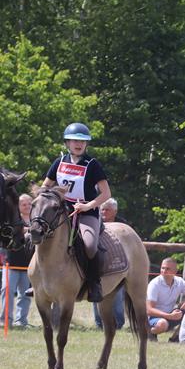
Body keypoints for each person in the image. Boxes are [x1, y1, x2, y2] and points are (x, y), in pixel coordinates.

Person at [42, 122, 111, 302]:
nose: (78, 144)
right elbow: (45, 186)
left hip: (86, 212)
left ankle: (94, 283)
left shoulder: (93, 165)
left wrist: (87, 206)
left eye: (82, 141)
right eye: (74, 141)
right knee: (39, 235)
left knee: (89, 245)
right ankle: (38, 280)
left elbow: (106, 194)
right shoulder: (59, 162)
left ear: (86, 144)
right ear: (67, 143)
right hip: (61, 212)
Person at [1, 194, 34, 327]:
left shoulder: (36, 219)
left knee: (25, 294)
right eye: (23, 204)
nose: (27, 206)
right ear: (18, 206)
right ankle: (5, 320)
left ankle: (21, 321)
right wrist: (29, 230)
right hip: (11, 262)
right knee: (7, 291)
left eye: (29, 204)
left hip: (29, 265)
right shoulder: (13, 219)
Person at [92, 197, 126, 329]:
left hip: (117, 263)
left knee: (117, 293)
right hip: (99, 262)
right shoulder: (95, 222)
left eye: (107, 210)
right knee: (96, 291)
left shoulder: (123, 225)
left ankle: (118, 322)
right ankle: (99, 323)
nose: (104, 212)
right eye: (102, 209)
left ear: (115, 211)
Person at [147, 257, 185, 340]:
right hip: (153, 318)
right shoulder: (154, 284)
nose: (164, 271)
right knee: (162, 324)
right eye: (162, 268)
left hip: (171, 314)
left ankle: (175, 339)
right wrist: (169, 316)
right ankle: (148, 333)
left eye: (167, 269)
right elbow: (149, 310)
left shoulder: (179, 281)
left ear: (175, 271)